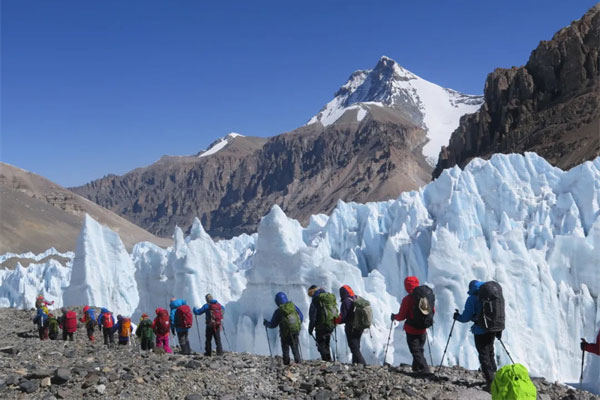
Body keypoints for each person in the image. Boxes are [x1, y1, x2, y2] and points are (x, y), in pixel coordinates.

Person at [454, 280, 500, 389]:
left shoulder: (472, 299)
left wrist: (457, 317)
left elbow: (466, 317)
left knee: (484, 355)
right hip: (492, 329)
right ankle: (496, 377)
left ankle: (491, 383)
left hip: (480, 330)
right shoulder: (490, 296)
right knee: (490, 352)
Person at [391, 276, 433, 374]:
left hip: (411, 330)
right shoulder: (425, 297)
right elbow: (431, 311)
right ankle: (416, 368)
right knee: (420, 349)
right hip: (423, 329)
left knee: (415, 351)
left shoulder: (408, 299)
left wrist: (394, 317)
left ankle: (425, 370)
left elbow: (402, 316)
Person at [264, 292, 303, 365]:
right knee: (295, 348)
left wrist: (266, 324)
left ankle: (286, 363)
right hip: (295, 331)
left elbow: (273, 324)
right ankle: (298, 363)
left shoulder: (278, 311)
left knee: (285, 349)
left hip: (285, 333)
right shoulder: (293, 307)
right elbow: (301, 316)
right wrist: (297, 326)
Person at [334, 285, 367, 366]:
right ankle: (355, 364)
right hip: (360, 326)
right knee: (356, 345)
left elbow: (343, 317)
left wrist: (335, 320)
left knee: (353, 347)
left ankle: (362, 364)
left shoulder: (346, 301)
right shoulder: (357, 298)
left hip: (351, 327)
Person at [308, 285, 337, 361]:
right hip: (331, 324)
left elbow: (313, 317)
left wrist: (310, 329)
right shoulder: (328, 298)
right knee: (327, 343)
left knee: (321, 344)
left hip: (321, 326)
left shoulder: (316, 300)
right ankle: (329, 360)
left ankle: (326, 360)